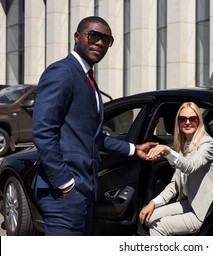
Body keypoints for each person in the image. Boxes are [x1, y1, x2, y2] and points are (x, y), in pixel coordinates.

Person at [32, 16, 157, 236]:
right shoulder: (62, 72)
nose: (100, 42)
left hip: (83, 193)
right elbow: (43, 132)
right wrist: (65, 183)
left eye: (106, 39)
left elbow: (95, 138)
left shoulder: (87, 78)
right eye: (94, 35)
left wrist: (134, 149)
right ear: (77, 37)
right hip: (63, 194)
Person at [139, 102, 213, 236]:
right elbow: (174, 186)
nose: (187, 122)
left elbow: (190, 166)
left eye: (192, 119)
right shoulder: (183, 145)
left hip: (204, 209)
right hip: (190, 202)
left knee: (158, 227)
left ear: (199, 121)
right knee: (149, 218)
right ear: (178, 122)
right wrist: (153, 203)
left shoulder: (207, 142)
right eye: (183, 119)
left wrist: (168, 151)